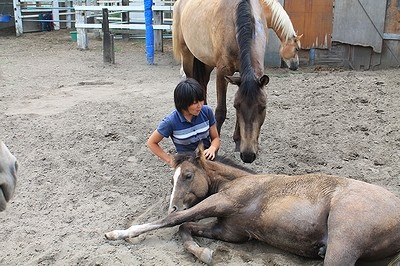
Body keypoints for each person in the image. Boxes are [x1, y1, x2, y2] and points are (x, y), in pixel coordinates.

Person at [147, 78, 220, 167]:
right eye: (194, 103)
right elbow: (151, 142)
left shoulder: (207, 111)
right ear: (183, 103)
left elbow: (215, 137)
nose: (200, 106)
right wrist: (170, 160)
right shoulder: (171, 121)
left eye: (201, 100)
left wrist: (212, 148)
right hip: (187, 167)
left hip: (208, 162)